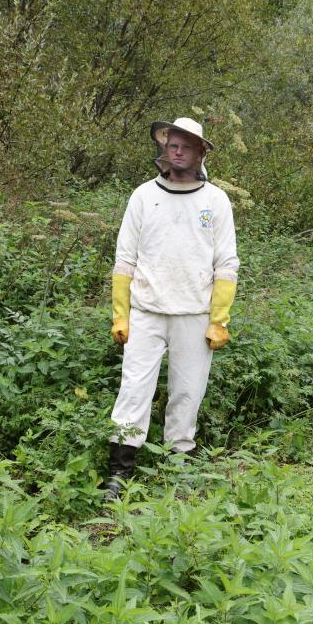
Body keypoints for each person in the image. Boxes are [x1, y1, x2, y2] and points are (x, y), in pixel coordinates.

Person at [103, 117, 239, 497]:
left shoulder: (216, 201)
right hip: (146, 311)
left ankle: (177, 465)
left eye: (186, 146)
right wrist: (120, 313)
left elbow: (226, 263)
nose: (178, 152)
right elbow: (124, 258)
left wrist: (219, 319)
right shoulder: (143, 196)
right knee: (133, 388)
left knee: (188, 391)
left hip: (194, 316)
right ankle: (120, 468)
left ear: (200, 153)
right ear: (164, 148)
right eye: (172, 145)